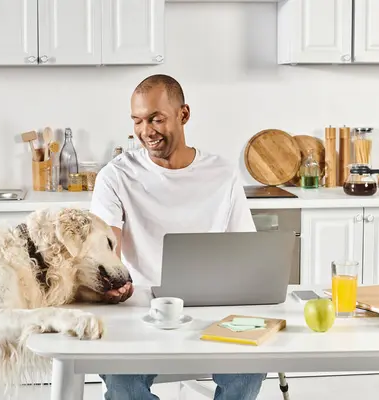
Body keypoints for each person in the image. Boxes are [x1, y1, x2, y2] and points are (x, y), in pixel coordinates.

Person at [90, 74, 266, 400]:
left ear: (183, 115)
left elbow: (244, 247)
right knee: (123, 387)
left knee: (249, 368)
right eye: (138, 121)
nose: (146, 131)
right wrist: (109, 277)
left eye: (156, 119)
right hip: (139, 309)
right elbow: (105, 247)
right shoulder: (116, 176)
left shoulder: (222, 173)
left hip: (213, 306)